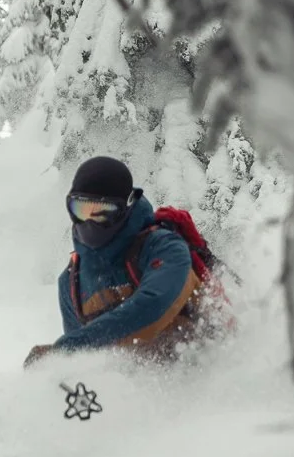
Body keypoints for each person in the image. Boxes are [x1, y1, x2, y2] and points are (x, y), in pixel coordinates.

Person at [23, 156, 205, 367]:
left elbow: (153, 306)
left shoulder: (164, 248)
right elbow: (81, 364)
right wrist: (56, 370)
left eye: (102, 213)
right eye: (80, 210)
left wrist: (68, 349)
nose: (89, 222)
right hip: (139, 390)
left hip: (211, 374)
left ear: (125, 209)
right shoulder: (72, 282)